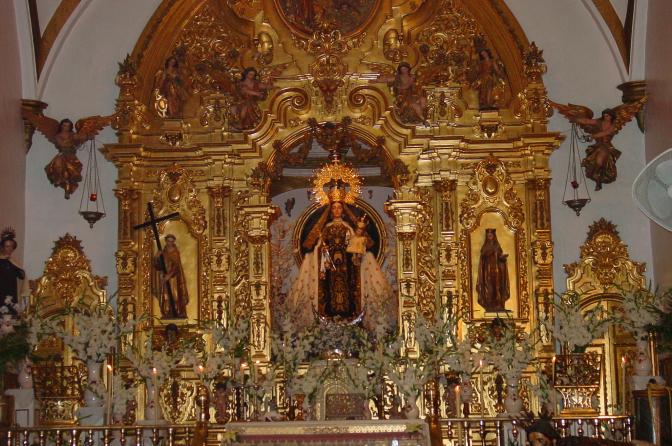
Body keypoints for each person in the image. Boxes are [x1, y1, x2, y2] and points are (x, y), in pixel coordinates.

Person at [289, 190, 393, 328]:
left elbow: (354, 246)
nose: (337, 210)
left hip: (347, 269)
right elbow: (318, 247)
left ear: (343, 210)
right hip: (329, 271)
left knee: (349, 295)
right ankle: (327, 319)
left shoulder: (347, 228)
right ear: (331, 211)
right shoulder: (326, 228)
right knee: (328, 295)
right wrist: (323, 252)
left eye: (339, 207)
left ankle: (350, 318)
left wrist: (357, 245)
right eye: (334, 208)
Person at [152, 234, 189, 318]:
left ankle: (176, 312)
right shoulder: (163, 252)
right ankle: (167, 312)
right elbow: (157, 266)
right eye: (168, 241)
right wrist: (156, 257)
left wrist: (169, 275)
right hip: (164, 278)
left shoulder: (175, 252)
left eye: (172, 241)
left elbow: (176, 266)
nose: (170, 243)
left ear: (174, 242)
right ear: (166, 241)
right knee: (165, 295)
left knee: (174, 295)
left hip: (173, 278)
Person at [476, 228, 509, 312]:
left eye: (491, 235)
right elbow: (483, 257)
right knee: (489, 287)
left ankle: (499, 305)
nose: (490, 237)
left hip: (498, 271)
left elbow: (500, 257)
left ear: (494, 236)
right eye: (488, 236)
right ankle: (490, 305)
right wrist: (489, 252)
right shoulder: (485, 247)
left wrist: (502, 258)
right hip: (488, 271)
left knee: (498, 287)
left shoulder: (497, 246)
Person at [0, 228, 25, 314]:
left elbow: (21, 276)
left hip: (12, 293)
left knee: (11, 314)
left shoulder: (13, 261)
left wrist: (22, 273)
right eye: (7, 246)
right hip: (1, 292)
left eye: (11, 246)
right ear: (2, 247)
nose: (10, 248)